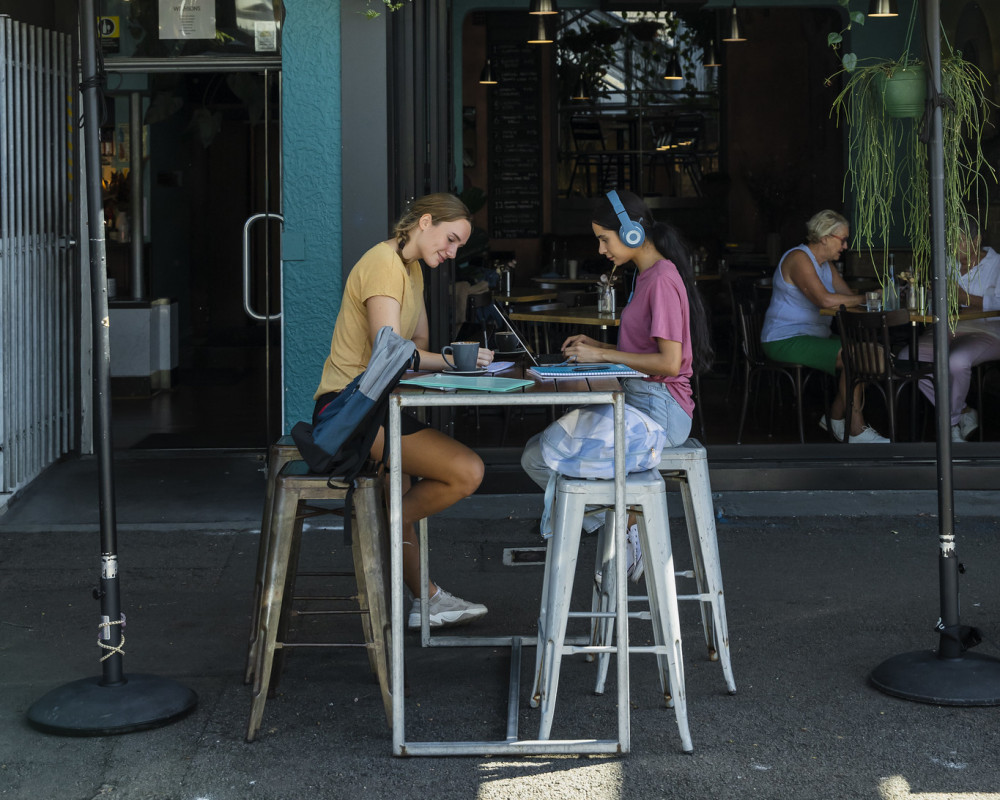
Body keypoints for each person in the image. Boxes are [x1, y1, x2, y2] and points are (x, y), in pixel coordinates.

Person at [313, 193, 493, 628]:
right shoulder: (383, 263)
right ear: (425, 222)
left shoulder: (410, 270)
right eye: (449, 240)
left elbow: (419, 349)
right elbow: (391, 351)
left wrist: (439, 359)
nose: (451, 253)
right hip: (350, 409)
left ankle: (426, 599)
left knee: (405, 487)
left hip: (378, 401)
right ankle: (377, 525)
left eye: (457, 247)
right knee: (467, 471)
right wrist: (455, 361)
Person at [520, 190, 713, 581]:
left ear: (631, 232)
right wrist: (600, 347)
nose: (601, 248)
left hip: (660, 410)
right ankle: (623, 518)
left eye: (604, 238)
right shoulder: (647, 276)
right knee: (534, 453)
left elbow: (669, 362)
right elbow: (645, 352)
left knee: (541, 457)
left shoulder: (660, 280)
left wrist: (604, 357)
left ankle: (627, 524)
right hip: (642, 401)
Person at [760, 210, 889, 443]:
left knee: (875, 356)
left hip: (815, 336)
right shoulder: (799, 258)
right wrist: (867, 298)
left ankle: (835, 418)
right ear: (825, 237)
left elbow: (846, 298)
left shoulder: (826, 265)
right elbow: (825, 300)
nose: (846, 246)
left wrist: (875, 299)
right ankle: (855, 429)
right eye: (843, 239)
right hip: (784, 339)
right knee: (856, 357)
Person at [902, 219, 1000, 442]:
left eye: (958, 242)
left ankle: (950, 426)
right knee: (908, 359)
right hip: (947, 329)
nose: (951, 248)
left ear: (976, 241)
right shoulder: (947, 263)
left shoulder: (997, 263)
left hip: (987, 331)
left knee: (956, 361)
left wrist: (964, 298)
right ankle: (962, 411)